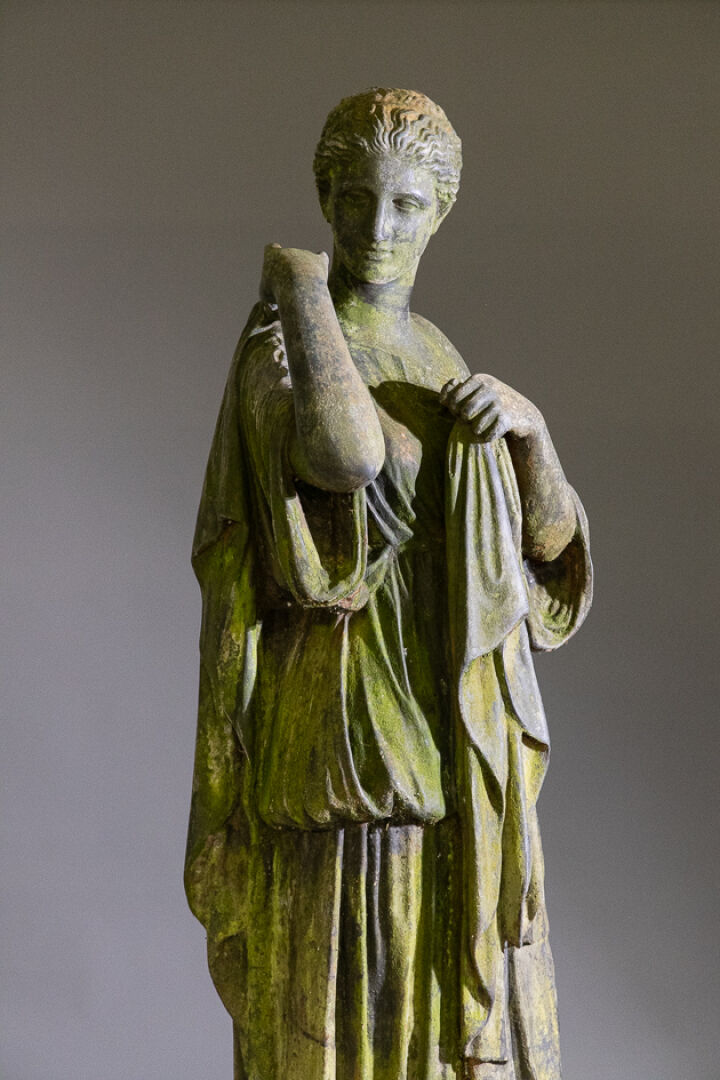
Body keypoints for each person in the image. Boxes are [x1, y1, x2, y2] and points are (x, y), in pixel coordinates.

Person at [185, 88, 592, 1080]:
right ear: (325, 197)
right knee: (339, 1017)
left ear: (440, 212)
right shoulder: (284, 342)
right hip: (345, 735)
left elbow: (544, 554)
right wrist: (298, 286)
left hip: (452, 733)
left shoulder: (439, 353)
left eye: (407, 204)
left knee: (438, 1029)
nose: (379, 227)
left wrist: (532, 435)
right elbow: (344, 458)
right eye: (358, 198)